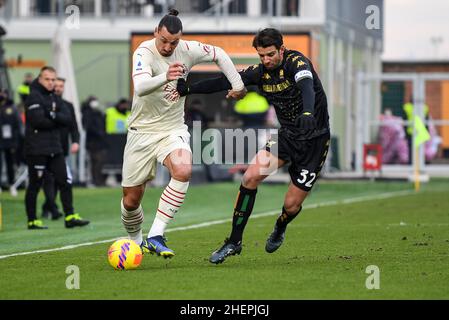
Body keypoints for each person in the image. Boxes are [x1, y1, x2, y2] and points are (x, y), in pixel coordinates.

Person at [177, 28, 330, 264]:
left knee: (291, 206)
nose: (266, 60)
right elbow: (224, 81)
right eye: (261, 56)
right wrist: (188, 88)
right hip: (286, 137)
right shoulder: (260, 73)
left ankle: (280, 226)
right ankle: (234, 241)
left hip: (315, 141)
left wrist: (308, 111)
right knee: (250, 177)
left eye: (270, 54)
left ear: (281, 48)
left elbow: (307, 87)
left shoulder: (297, 62)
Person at [121, 9, 246, 258]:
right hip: (141, 132)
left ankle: (156, 234)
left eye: (173, 42)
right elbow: (141, 86)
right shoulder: (144, 52)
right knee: (131, 201)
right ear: (156, 32)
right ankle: (136, 241)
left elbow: (218, 53)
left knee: (183, 169)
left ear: (181, 38)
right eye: (164, 40)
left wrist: (238, 84)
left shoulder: (187, 49)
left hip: (172, 129)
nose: (168, 47)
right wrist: (164, 76)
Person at [23, 66, 89, 229]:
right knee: (35, 184)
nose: (51, 82)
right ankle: (32, 220)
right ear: (40, 79)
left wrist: (51, 115)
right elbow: (38, 121)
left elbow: (67, 119)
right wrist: (56, 120)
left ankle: (70, 215)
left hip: (55, 148)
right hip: (37, 149)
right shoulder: (33, 96)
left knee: (65, 181)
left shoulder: (55, 98)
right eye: (48, 79)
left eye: (53, 79)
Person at [41, 77, 80, 219]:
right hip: (46, 148)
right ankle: (52, 207)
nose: (58, 88)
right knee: (50, 180)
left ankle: (49, 207)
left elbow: (74, 127)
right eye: (55, 85)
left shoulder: (68, 106)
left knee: (61, 180)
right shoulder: (45, 104)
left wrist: (75, 141)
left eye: (60, 86)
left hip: (62, 149)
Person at [0, 89, 23, 196]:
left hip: (10, 140)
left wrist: (15, 142)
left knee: (10, 164)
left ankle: (12, 185)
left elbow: (18, 126)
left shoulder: (12, 107)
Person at [81, 96, 108, 187]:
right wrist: (99, 133)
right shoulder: (87, 113)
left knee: (99, 161)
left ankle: (98, 180)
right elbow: (88, 127)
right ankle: (96, 180)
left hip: (99, 141)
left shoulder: (97, 113)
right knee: (96, 161)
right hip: (93, 141)